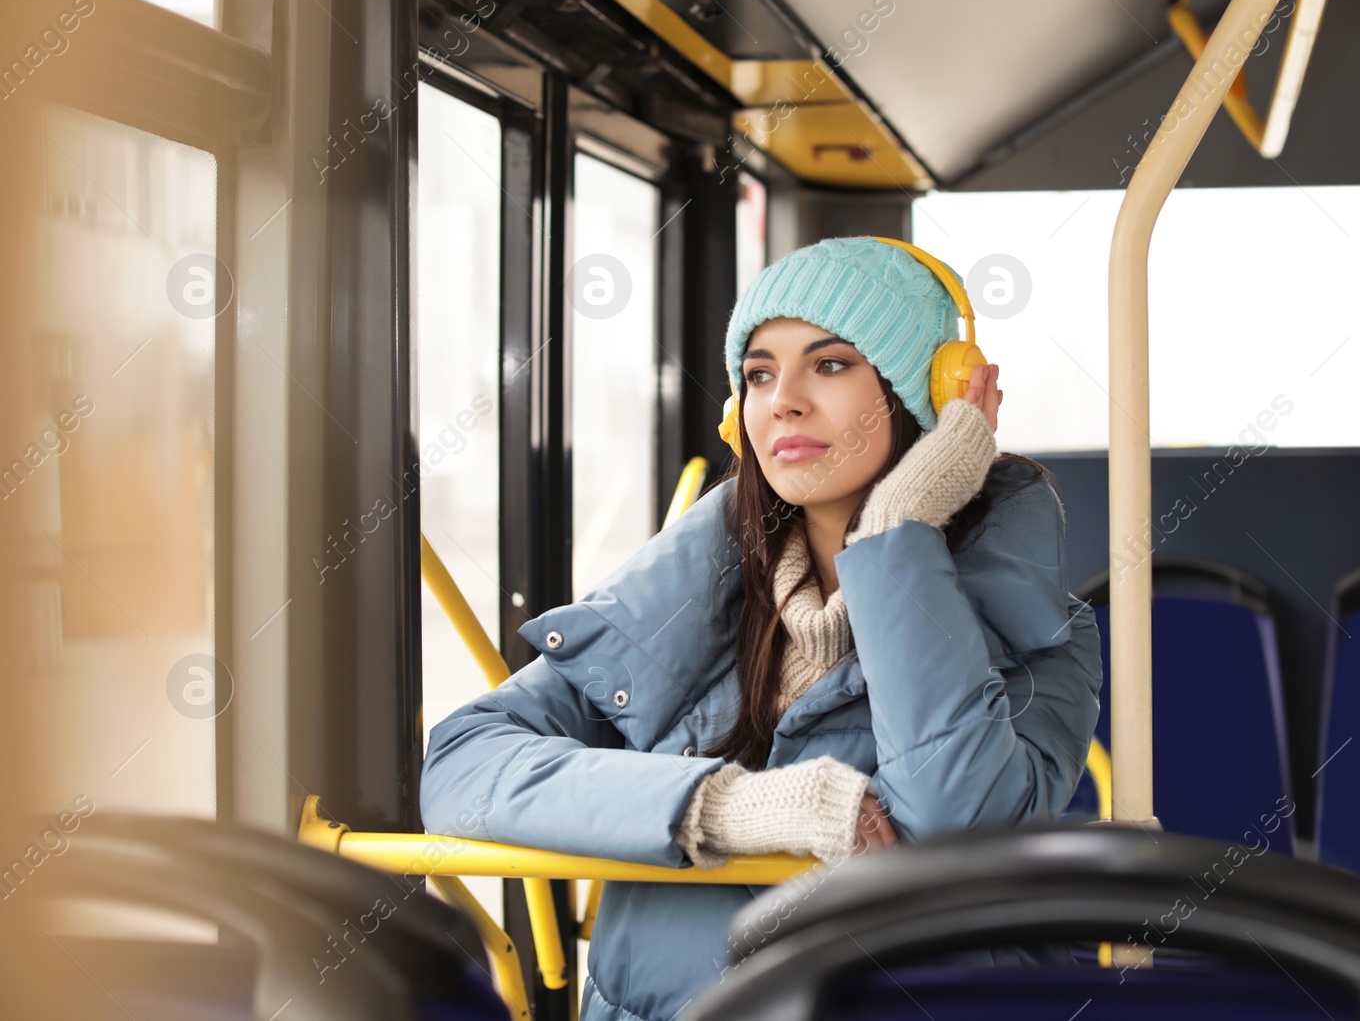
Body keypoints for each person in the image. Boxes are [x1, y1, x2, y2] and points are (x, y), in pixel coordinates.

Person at [420, 236, 1103, 1021]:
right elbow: (461, 767)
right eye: (759, 373)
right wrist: (731, 809)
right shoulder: (687, 606)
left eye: (832, 363)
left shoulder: (1041, 635)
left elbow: (957, 822)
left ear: (931, 392)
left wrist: (891, 535)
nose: (785, 399)